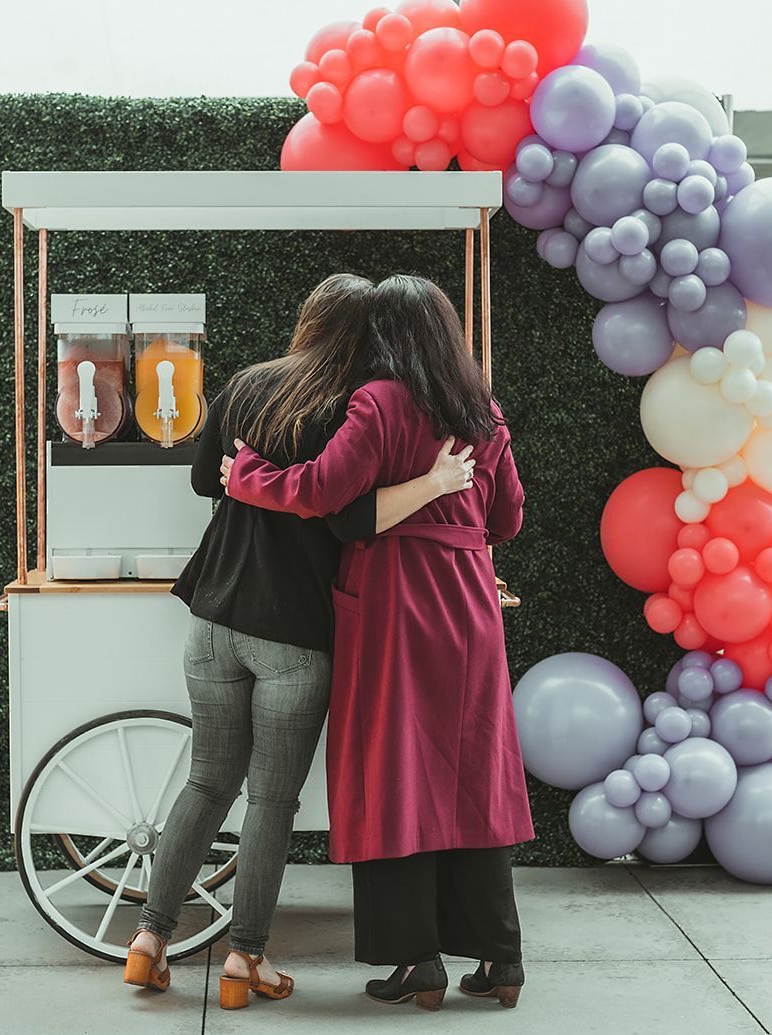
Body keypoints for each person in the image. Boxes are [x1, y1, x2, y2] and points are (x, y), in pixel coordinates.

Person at [124, 274, 478, 1010]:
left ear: (307, 318)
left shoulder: (250, 383)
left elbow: (202, 478)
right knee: (271, 801)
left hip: (215, 617)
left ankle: (150, 940)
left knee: (206, 781)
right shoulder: (356, 407)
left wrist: (248, 474)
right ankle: (244, 958)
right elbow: (350, 518)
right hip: (295, 634)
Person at [222, 274, 532, 1011]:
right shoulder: (482, 411)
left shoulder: (379, 402)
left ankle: (415, 963)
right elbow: (509, 519)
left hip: (393, 601)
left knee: (393, 771)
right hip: (470, 607)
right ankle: (501, 959)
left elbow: (322, 490)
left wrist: (250, 475)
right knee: (471, 774)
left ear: (383, 336)